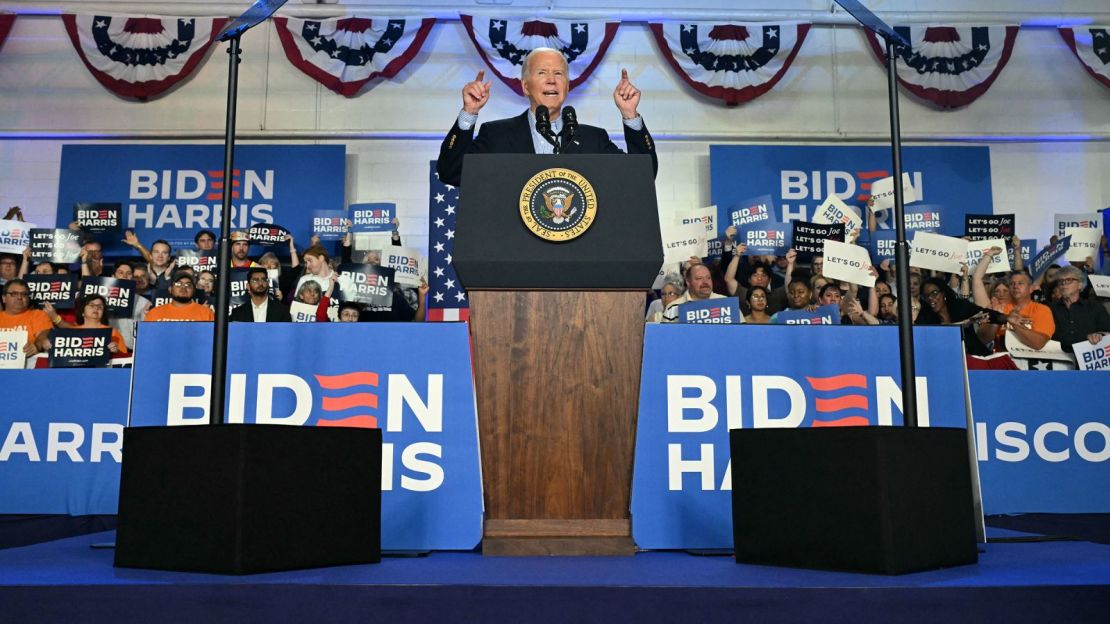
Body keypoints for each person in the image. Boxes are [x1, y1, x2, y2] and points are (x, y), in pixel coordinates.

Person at [436, 48, 657, 187]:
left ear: (567, 86)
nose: (552, 80)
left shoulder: (593, 139)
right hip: (515, 255)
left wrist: (630, 115)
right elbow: (451, 172)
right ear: (525, 86)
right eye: (542, 73)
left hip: (577, 256)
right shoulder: (496, 135)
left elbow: (641, 176)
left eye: (558, 74)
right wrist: (469, 113)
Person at [972, 248, 1054, 352]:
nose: (1015, 286)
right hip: (1001, 362)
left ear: (1031, 288)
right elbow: (983, 339)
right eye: (1012, 284)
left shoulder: (1042, 310)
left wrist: (1015, 325)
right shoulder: (999, 309)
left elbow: (1038, 343)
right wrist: (996, 319)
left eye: (1020, 283)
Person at [1048, 265, 1110, 352]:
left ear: (1080, 285)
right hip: (1058, 359)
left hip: (1088, 358)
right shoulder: (1049, 309)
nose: (1063, 284)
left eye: (1069, 280)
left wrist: (1099, 335)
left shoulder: (1095, 307)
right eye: (1060, 281)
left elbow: (1107, 331)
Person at [1, 279, 62, 357]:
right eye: (14, 294)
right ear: (4, 298)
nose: (19, 297)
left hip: (29, 361)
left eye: (24, 294)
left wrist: (37, 346)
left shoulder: (38, 315)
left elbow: (43, 334)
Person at [661, 263, 727, 323]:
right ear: (688, 282)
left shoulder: (725, 303)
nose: (705, 282)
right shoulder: (673, 308)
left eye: (708, 278)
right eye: (699, 278)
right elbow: (664, 335)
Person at [145, 271, 215, 322]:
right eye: (178, 284)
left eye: (188, 284)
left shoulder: (206, 314)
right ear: (170, 289)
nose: (183, 287)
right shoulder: (154, 313)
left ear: (193, 290)